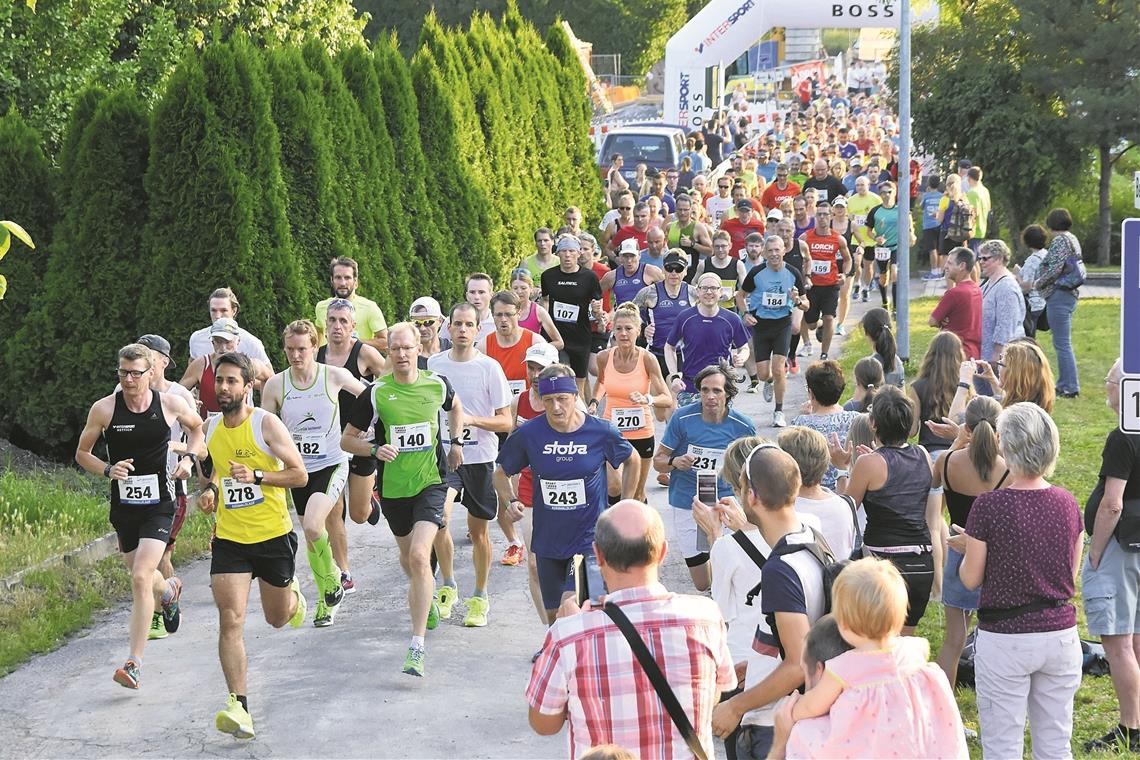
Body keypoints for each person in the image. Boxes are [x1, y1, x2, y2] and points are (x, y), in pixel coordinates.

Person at [525, 500, 735, 758]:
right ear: (662, 552)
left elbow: (544, 723)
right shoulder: (706, 617)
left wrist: (565, 625)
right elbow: (714, 694)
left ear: (598, 555)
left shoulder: (569, 634)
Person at [949, 402, 1083, 759]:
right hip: (1058, 633)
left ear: (1004, 445)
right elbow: (1069, 574)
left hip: (1005, 637)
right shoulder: (1067, 503)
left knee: (1002, 746)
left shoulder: (989, 507)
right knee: (1055, 745)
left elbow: (971, 579)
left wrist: (966, 549)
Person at [340, 322, 466, 677]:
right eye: (395, 349)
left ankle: (416, 647)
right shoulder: (377, 393)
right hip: (394, 490)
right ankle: (423, 600)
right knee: (408, 559)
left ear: (418, 348)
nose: (401, 355)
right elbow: (346, 440)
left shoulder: (436, 383)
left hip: (431, 482)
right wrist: (374, 449)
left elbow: (456, 407)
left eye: (407, 348)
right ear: (388, 353)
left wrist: (455, 442)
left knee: (418, 555)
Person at [75, 343, 204, 689]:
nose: (129, 379)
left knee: (139, 578)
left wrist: (189, 459)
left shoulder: (171, 404)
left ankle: (133, 662)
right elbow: (82, 453)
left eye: (135, 373)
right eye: (123, 373)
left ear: (151, 374)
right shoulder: (104, 409)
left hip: (160, 503)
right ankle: (169, 591)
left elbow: (198, 429)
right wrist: (106, 470)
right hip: (125, 507)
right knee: (141, 575)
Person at [196, 352, 309, 738]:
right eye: (219, 381)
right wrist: (210, 490)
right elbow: (216, 468)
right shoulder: (210, 428)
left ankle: (294, 596)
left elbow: (299, 475)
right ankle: (239, 707)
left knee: (277, 618)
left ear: (248, 387)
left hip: (273, 536)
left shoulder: (266, 424)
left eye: (231, 381)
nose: (223, 388)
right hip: (230, 539)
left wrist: (259, 475)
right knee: (231, 619)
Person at [779, 559, 968, 759]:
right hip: (914, 742)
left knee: (805, 734)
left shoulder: (844, 667)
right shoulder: (913, 648)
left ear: (844, 623)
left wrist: (793, 710)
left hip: (873, 745)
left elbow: (813, 705)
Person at [494, 364, 637, 623]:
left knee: (570, 607)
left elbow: (632, 459)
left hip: (589, 539)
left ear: (574, 396)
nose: (556, 407)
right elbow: (500, 474)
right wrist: (510, 500)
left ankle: (589, 657)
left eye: (562, 399)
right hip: (548, 540)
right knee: (554, 619)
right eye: (549, 400)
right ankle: (562, 656)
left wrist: (625, 505)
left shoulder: (600, 431)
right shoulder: (530, 433)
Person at [711, 445, 828, 757]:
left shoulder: (780, 569)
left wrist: (735, 706)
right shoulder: (812, 537)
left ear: (751, 497)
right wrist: (759, 665)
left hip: (772, 724)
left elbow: (797, 664)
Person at [260, 320, 366, 627]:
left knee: (313, 526)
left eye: (302, 349)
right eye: (290, 349)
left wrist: (359, 432)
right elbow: (265, 428)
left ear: (314, 347)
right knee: (311, 534)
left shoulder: (333, 375)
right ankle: (326, 597)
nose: (296, 356)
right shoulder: (276, 385)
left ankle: (332, 577)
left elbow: (369, 398)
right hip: (299, 472)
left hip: (332, 464)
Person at [427, 303, 514, 628]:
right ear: (447, 328)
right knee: (440, 520)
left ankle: (479, 595)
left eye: (469, 325)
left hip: (480, 459)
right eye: (457, 324)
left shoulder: (489, 367)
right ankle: (447, 584)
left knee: (479, 532)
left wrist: (468, 419)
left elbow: (506, 421)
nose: (462, 330)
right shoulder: (434, 365)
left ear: (478, 330)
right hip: (444, 459)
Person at [830, 385, 937, 635]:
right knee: (903, 643)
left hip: (884, 564)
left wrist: (842, 469)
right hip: (922, 563)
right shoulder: (922, 454)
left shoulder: (869, 463)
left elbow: (845, 509)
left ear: (873, 424)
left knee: (876, 642)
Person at [654, 364, 757, 591]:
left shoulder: (743, 426)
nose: (710, 396)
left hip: (727, 502)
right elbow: (657, 461)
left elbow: (755, 470)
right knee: (703, 583)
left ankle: (728, 615)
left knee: (732, 572)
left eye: (716, 391)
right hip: (688, 502)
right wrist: (674, 462)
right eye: (704, 390)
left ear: (728, 393)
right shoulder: (682, 418)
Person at [1082, 359, 1140, 753]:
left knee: (1117, 643)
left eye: (1109, 380)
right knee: (1135, 639)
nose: (1105, 386)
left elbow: (1112, 504)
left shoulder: (1123, 437)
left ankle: (1130, 727)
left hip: (1120, 548)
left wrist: (1096, 551)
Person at [930, 396, 1008, 686]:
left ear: (967, 427)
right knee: (996, 640)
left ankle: (944, 707)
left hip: (957, 554)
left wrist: (954, 443)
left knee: (953, 640)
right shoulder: (1008, 470)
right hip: (994, 560)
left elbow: (932, 484)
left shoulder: (948, 461)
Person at [122, 334, 197, 629]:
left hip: (170, 485)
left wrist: (180, 454)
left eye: (150, 354)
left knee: (161, 552)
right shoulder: (124, 392)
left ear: (163, 362)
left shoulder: (178, 397)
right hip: (131, 489)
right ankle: (166, 594)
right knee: (138, 561)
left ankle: (156, 614)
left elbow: (199, 438)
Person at [316, 299, 389, 592]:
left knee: (358, 514)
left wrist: (375, 425)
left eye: (343, 321)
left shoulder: (365, 353)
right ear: (325, 325)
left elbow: (388, 385)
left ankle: (371, 499)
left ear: (353, 327)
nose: (337, 327)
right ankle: (342, 572)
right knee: (334, 510)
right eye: (332, 320)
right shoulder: (316, 356)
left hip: (359, 440)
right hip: (329, 443)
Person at [593, 304, 673, 502]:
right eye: (618, 328)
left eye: (628, 328)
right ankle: (614, 529)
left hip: (641, 432)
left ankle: (642, 531)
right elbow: (602, 382)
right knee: (614, 485)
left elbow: (666, 397)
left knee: (637, 493)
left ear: (638, 331)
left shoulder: (647, 359)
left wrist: (648, 399)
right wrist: (594, 402)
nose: (623, 333)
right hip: (612, 431)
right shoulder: (604, 357)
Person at [737, 235, 809, 427]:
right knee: (762, 374)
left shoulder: (793, 273)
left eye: (778, 250)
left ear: (784, 250)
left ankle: (778, 411)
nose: (774, 254)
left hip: (782, 324)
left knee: (778, 369)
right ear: (764, 253)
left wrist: (798, 301)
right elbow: (740, 295)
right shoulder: (757, 273)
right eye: (770, 251)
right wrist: (745, 314)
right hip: (761, 325)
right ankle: (768, 381)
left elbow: (806, 304)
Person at [664, 272, 751, 406]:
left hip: (720, 387)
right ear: (697, 291)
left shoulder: (731, 319)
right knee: (691, 426)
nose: (709, 292)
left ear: (720, 291)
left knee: (719, 426)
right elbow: (669, 347)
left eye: (713, 288)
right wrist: (675, 376)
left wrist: (741, 357)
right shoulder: (685, 317)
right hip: (691, 388)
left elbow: (744, 347)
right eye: (704, 288)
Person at [778, 426, 857, 560]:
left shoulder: (784, 512)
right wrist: (842, 470)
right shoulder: (846, 504)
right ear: (826, 459)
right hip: (840, 578)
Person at [541, 235, 605, 397]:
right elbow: (545, 301)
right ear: (558, 254)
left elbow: (597, 306)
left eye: (571, 251)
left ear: (578, 254)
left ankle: (584, 415)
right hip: (557, 336)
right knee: (563, 380)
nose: (567, 255)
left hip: (580, 336)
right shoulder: (548, 276)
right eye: (563, 251)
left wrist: (597, 312)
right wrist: (543, 325)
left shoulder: (589, 277)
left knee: (579, 386)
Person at [180, 318, 273, 418]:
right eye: (218, 341)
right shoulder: (201, 364)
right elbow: (177, 392)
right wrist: (188, 401)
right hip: (209, 430)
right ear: (212, 342)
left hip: (242, 429)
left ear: (238, 341)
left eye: (227, 342)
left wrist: (265, 412)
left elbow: (272, 380)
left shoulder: (250, 365)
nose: (223, 348)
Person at [1034, 207, 1083, 398]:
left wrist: (1038, 283)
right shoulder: (1073, 239)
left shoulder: (1060, 241)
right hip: (1070, 294)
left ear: (1052, 223)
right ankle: (1064, 383)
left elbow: (1054, 269)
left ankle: (1070, 386)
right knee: (1063, 342)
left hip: (1060, 295)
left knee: (1062, 343)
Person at [792, 361, 859, 492]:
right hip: (850, 490)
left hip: (811, 493)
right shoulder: (856, 419)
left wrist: (803, 415)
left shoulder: (800, 424)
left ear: (811, 393)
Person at [634, 250, 698, 380]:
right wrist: (642, 328)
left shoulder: (694, 293)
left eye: (678, 269)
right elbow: (630, 314)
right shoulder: (648, 292)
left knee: (675, 391)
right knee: (656, 397)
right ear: (663, 269)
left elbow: (708, 314)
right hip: (655, 352)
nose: (674, 273)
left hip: (682, 354)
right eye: (669, 268)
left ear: (685, 271)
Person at [800, 203, 850, 362]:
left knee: (829, 318)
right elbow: (796, 256)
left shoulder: (838, 239)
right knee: (811, 324)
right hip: (812, 286)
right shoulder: (806, 238)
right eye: (819, 214)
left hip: (830, 285)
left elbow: (848, 260)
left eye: (825, 214)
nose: (822, 218)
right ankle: (817, 325)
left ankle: (824, 354)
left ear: (831, 216)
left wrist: (844, 274)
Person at [978, 240, 1025, 392]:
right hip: (986, 356)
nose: (981, 262)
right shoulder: (990, 282)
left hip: (999, 359)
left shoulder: (1006, 287)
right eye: (980, 258)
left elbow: (1005, 325)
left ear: (999, 259)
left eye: (985, 258)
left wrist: (996, 357)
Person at [314, 256, 388, 351]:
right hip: (328, 363)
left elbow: (385, 342)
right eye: (338, 277)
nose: (343, 283)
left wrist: (353, 343)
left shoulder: (369, 307)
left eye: (347, 278)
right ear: (332, 280)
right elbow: (319, 333)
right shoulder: (321, 307)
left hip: (359, 364)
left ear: (355, 282)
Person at [862, 181, 915, 314]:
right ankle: (885, 301)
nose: (887, 195)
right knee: (883, 277)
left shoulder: (901, 210)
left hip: (897, 246)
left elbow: (909, 224)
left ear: (895, 192)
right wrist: (876, 238)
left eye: (889, 192)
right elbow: (868, 231)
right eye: (883, 192)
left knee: (895, 273)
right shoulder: (875, 211)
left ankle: (896, 308)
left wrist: (911, 235)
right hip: (882, 248)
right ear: (880, 195)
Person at [187, 287, 272, 367]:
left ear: (234, 311)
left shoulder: (251, 343)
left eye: (223, 310)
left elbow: (270, 378)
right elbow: (191, 370)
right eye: (213, 310)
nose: (218, 316)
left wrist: (242, 380)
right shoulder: (197, 338)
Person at [929, 247, 982, 359]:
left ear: (962, 266)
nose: (945, 267)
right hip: (975, 353)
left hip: (955, 354)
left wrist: (941, 322)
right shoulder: (977, 290)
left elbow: (932, 321)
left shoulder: (954, 293)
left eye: (949, 263)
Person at [509, 268, 565, 347]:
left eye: (523, 288)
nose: (519, 292)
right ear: (511, 290)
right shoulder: (504, 310)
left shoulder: (538, 311)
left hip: (530, 357)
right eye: (515, 288)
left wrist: (538, 350)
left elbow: (559, 343)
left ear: (531, 289)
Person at [695, 231, 748, 312]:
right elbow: (694, 284)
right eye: (717, 246)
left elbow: (745, 290)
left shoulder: (738, 265)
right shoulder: (704, 264)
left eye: (723, 246)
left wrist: (731, 294)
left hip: (729, 309)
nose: (720, 250)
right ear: (712, 246)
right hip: (707, 309)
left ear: (730, 246)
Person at [667, 192, 713, 279]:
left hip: (691, 273)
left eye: (685, 210)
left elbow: (710, 251)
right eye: (680, 209)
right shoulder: (669, 227)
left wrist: (692, 244)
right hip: (672, 272)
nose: (682, 213)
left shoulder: (698, 227)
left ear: (691, 209)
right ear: (675, 209)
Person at [1015, 224, 1048, 339]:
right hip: (1043, 301)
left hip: (1032, 304)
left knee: (1028, 337)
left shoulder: (1032, 260)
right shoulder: (1046, 255)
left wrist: (1018, 274)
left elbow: (1027, 286)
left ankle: (1033, 355)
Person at [860, 307, 904, 387]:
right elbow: (902, 394)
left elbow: (863, 397)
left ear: (867, 333)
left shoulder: (869, 365)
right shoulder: (897, 363)